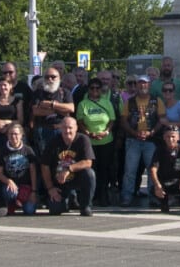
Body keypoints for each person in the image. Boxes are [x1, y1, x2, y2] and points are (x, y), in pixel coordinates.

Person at [117, 76, 161, 206]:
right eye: (140, 84)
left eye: (145, 84)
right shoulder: (129, 102)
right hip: (133, 140)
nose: (143, 86)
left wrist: (151, 132)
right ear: (137, 86)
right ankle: (127, 196)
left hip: (151, 140)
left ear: (149, 85)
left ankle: (154, 196)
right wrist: (134, 133)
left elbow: (161, 119)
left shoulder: (157, 101)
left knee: (152, 169)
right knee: (130, 170)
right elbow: (123, 121)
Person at [74, 77, 118, 206]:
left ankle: (104, 195)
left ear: (101, 90)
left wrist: (106, 132)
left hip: (106, 141)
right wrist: (88, 132)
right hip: (90, 142)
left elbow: (112, 120)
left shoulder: (106, 103)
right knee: (92, 170)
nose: (94, 91)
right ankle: (92, 195)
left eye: (97, 88)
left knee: (105, 169)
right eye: (92, 88)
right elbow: (80, 120)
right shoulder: (83, 104)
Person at [41, 115, 96, 216]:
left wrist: (69, 169)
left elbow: (88, 162)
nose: (67, 131)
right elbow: (45, 166)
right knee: (55, 210)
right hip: (59, 181)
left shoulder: (83, 140)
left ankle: (85, 206)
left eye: (70, 128)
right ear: (60, 128)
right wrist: (50, 188)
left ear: (76, 128)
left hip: (77, 177)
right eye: (65, 127)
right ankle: (68, 200)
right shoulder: (53, 142)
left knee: (90, 174)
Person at [0, 122, 37, 217]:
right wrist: (8, 181)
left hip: (25, 186)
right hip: (10, 187)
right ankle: (11, 203)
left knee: (30, 210)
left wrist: (34, 191)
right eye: (11, 134)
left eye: (16, 134)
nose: (13, 136)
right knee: (11, 192)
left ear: (21, 135)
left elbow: (33, 172)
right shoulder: (2, 150)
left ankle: (19, 202)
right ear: (7, 135)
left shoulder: (28, 150)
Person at [149, 124, 180, 214]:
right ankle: (164, 204)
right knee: (153, 188)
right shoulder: (159, 150)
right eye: (168, 137)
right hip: (166, 182)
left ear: (178, 137)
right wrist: (157, 185)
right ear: (164, 137)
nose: (170, 139)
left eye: (173, 136)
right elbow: (153, 169)